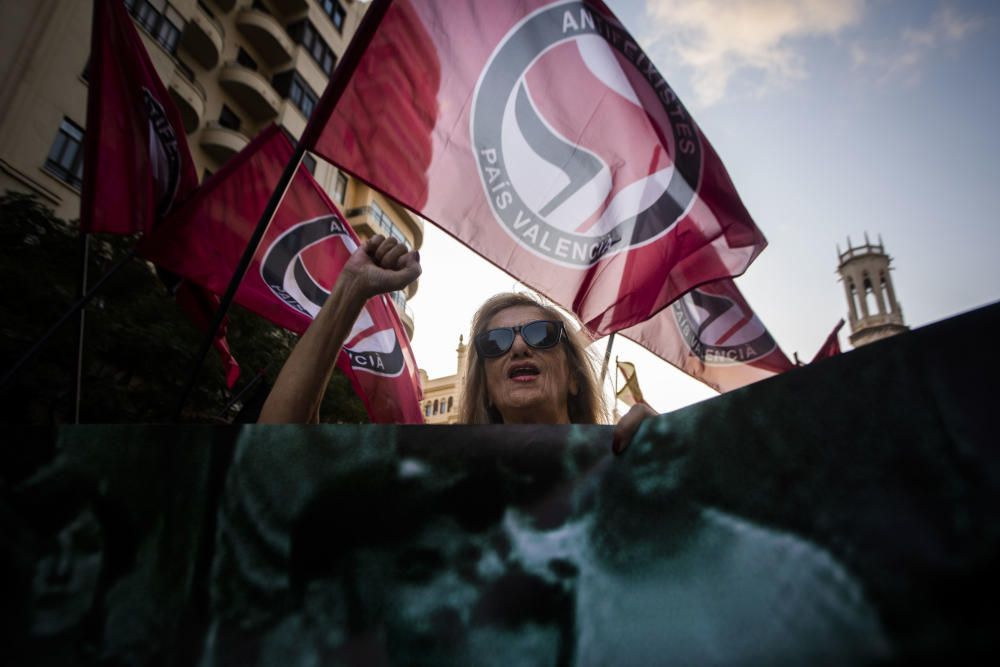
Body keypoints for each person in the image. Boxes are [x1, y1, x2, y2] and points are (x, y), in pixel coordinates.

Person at [259, 235, 655, 448]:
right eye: (495, 343)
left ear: (574, 378)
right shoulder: (436, 472)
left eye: (540, 335)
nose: (518, 347)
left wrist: (677, 453)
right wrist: (352, 288)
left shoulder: (623, 460)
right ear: (485, 389)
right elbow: (276, 448)